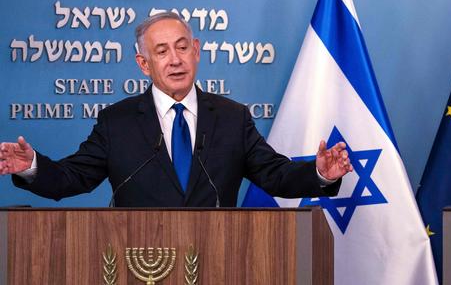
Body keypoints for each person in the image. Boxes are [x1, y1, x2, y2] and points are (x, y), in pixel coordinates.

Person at [0, 12, 353, 207]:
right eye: (162, 51)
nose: (175, 60)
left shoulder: (232, 118)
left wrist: (319, 173)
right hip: (138, 261)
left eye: (182, 47)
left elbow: (275, 175)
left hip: (221, 258)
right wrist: (31, 166)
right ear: (144, 63)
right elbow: (70, 178)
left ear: (196, 51)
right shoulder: (117, 122)